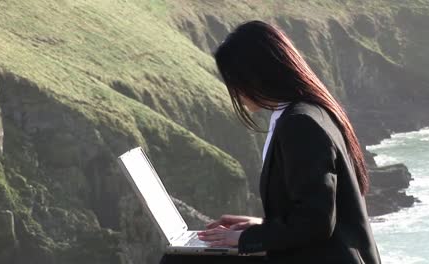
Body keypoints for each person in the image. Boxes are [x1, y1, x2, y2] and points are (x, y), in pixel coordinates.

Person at [160, 20, 382, 264]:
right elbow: (315, 210)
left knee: (179, 261)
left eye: (235, 81)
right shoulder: (310, 111)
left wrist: (247, 239)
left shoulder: (300, 124)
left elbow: (316, 221)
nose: (235, 92)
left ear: (257, 75)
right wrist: (260, 227)